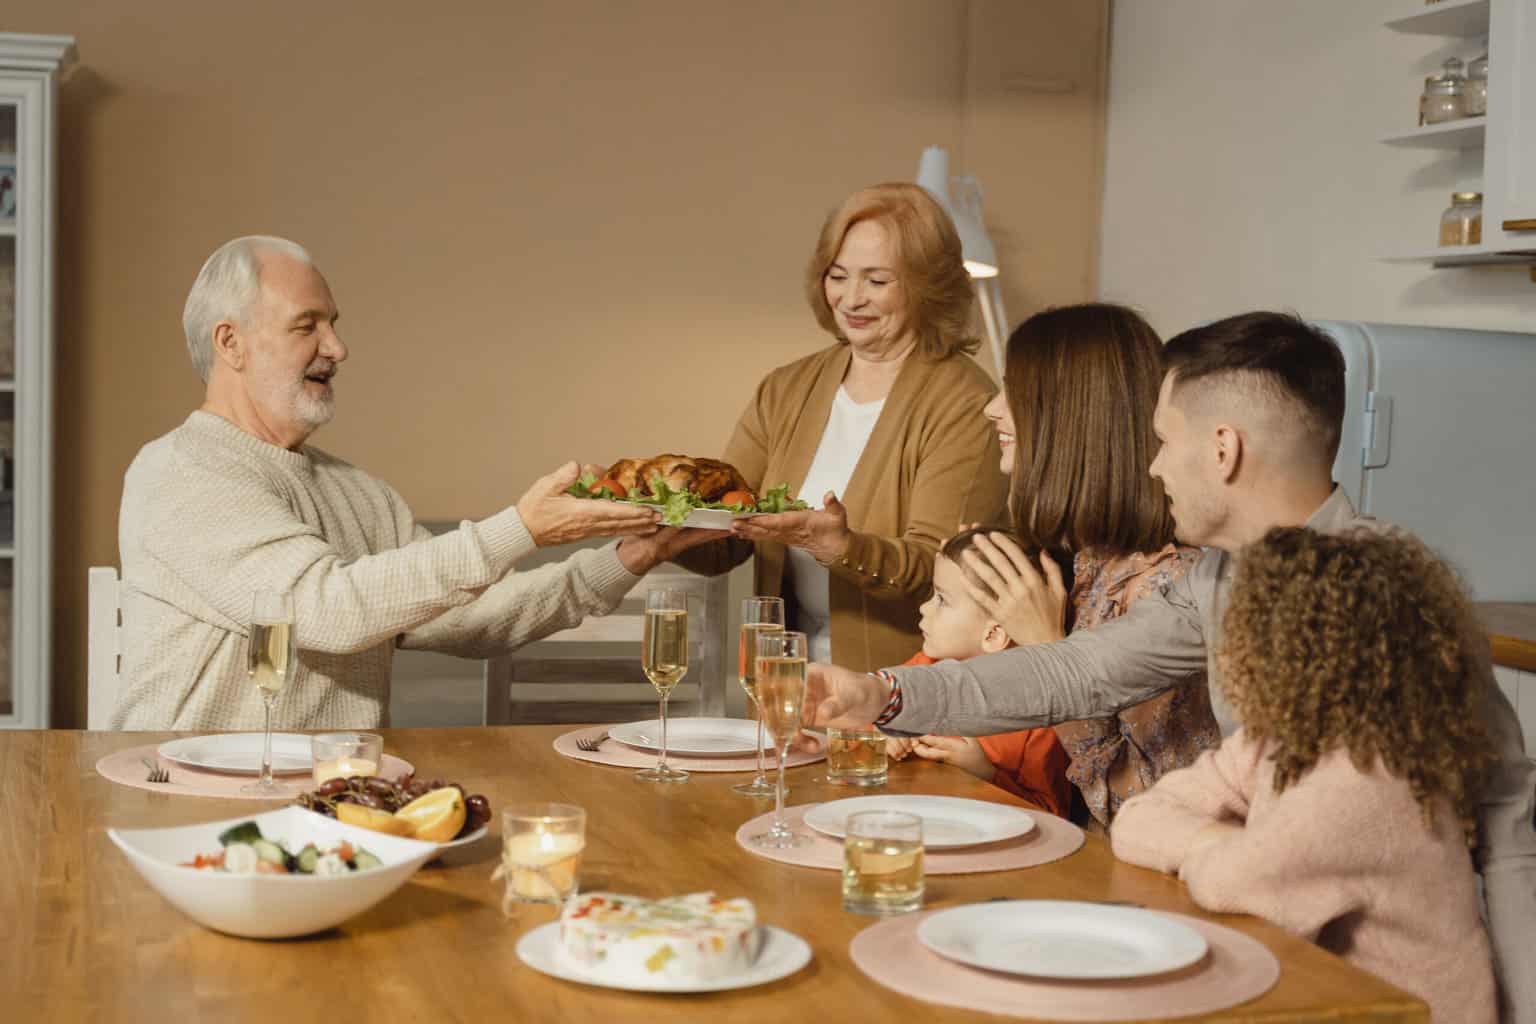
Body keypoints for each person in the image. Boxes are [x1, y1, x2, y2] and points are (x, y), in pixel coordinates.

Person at [804, 312, 1535, 1020]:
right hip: (1251, 937)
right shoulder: (1214, 580)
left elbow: (1505, 819)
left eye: (1162, 440)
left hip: (1374, 983)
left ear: (1223, 450)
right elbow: (1073, 672)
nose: (1152, 465)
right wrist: (878, 692)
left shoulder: (1395, 597)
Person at [113, 236, 709, 731]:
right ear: (231, 343)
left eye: (334, 324)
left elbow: (472, 615)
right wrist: (521, 528)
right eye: (307, 326)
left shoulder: (359, 492)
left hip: (336, 803)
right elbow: (324, 609)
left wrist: (631, 558)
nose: (337, 348)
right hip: (190, 801)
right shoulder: (180, 473)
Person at [1112, 527, 1497, 1023]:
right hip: (1328, 995)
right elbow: (1136, 820)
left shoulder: (1367, 777)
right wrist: (1221, 839)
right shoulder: (1278, 741)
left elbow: (1229, 881)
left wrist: (1221, 847)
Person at [674, 182, 1008, 672]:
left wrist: (842, 548)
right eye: (839, 275)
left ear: (925, 285)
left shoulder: (965, 402)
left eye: (877, 281)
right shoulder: (786, 388)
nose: (851, 299)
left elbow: (938, 568)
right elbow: (727, 528)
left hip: (905, 694)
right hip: (786, 681)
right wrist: (661, 526)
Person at [946, 304, 1219, 827]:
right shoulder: (1078, 563)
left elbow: (1138, 814)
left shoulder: (1166, 589)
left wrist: (1050, 649)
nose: (992, 409)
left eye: (1014, 392)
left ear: (1071, 420)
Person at [886, 528, 1073, 817]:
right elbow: (862, 709)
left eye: (942, 600)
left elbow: (1050, 814)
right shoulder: (926, 665)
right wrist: (884, 733)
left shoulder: (1042, 715)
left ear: (994, 634)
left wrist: (985, 772)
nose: (924, 608)